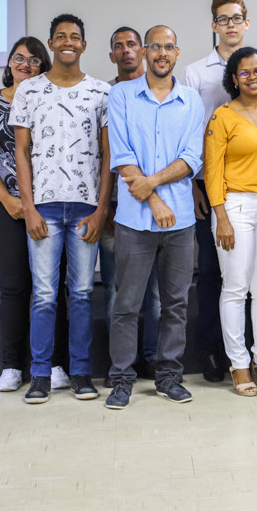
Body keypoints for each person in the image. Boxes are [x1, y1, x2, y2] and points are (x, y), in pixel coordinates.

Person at [10, 14, 112, 404]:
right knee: (44, 294)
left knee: (83, 293)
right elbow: (21, 151)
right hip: (45, 209)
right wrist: (30, 208)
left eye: (75, 37)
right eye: (60, 37)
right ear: (51, 44)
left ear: (84, 45)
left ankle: (81, 373)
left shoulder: (101, 92)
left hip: (86, 208)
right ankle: (40, 375)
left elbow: (107, 156)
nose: (68, 42)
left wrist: (102, 210)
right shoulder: (29, 91)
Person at [105, 25, 204, 409]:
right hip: (134, 221)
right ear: (145, 52)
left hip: (180, 223)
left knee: (175, 304)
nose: (161, 53)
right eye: (155, 47)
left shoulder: (191, 100)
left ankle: (168, 377)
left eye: (169, 47)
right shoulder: (121, 95)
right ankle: (122, 380)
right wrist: (156, 201)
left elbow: (192, 158)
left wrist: (154, 186)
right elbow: (122, 155)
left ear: (177, 53)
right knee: (126, 303)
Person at [0, 37, 72, 392]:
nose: (25, 64)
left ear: (44, 66)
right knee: (14, 287)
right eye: (19, 58)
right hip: (6, 206)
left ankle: (56, 363)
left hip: (49, 205)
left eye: (33, 60)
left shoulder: (52, 100)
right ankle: (12, 365)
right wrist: (11, 201)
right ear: (10, 63)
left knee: (52, 288)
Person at [180, 0, 251, 383]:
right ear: (213, 25)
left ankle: (250, 349)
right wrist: (194, 184)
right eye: (223, 19)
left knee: (251, 274)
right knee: (210, 271)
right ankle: (212, 351)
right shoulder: (195, 73)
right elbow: (190, 132)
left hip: (251, 186)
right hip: (209, 186)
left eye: (236, 18)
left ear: (247, 23)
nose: (230, 24)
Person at [204, 47, 257, 396]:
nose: (253, 76)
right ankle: (238, 365)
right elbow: (211, 171)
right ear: (234, 79)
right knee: (235, 288)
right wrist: (221, 217)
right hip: (233, 207)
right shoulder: (222, 117)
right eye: (245, 72)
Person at [101, 26, 161, 384]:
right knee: (117, 291)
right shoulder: (107, 94)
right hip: (119, 208)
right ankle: (119, 366)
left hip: (164, 208)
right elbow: (107, 156)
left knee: (154, 293)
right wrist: (106, 206)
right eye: (118, 46)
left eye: (132, 44)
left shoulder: (163, 89)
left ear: (143, 51)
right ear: (112, 55)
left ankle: (152, 358)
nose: (126, 51)